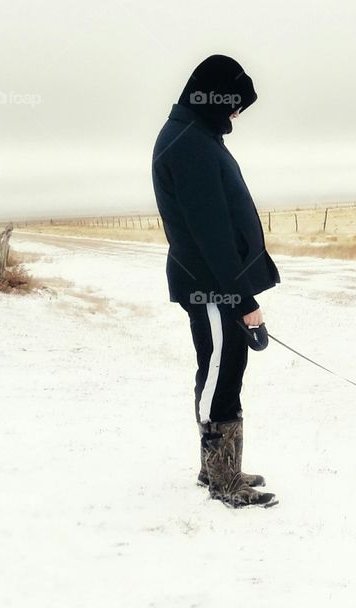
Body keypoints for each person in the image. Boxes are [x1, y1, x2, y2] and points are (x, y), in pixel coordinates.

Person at [151, 54, 280, 509]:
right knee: (221, 374)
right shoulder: (189, 143)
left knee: (223, 368)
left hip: (215, 281)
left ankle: (217, 469)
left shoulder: (197, 136)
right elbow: (211, 232)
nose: (236, 115)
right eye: (235, 105)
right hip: (210, 284)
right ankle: (223, 480)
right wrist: (242, 297)